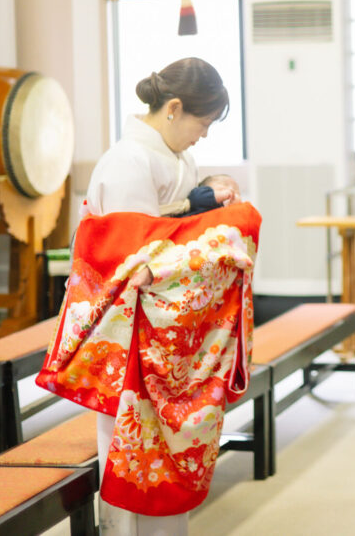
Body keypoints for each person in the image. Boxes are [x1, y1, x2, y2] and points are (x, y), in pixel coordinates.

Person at [37, 58, 258, 536]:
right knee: (128, 442)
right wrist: (208, 228)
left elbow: (170, 225)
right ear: (174, 108)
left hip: (166, 326)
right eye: (203, 123)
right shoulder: (127, 160)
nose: (204, 135)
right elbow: (133, 259)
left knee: (169, 444)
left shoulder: (179, 157)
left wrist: (207, 195)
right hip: (129, 325)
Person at [160, 173, 242, 217]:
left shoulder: (229, 214)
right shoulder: (201, 198)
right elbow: (196, 198)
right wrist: (222, 195)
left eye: (236, 191)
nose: (231, 189)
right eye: (224, 184)